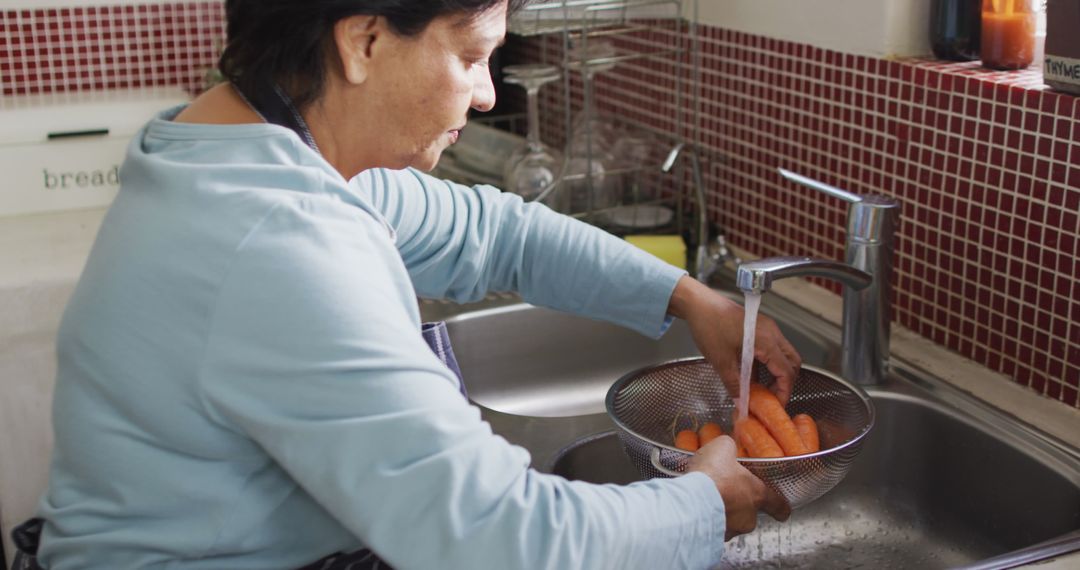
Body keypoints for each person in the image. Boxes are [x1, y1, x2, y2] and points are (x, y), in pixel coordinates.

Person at [19, 0, 801, 568]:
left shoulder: (254, 148)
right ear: (362, 41)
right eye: (469, 56)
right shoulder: (274, 243)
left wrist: (688, 298)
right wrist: (701, 506)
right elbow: (499, 539)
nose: (488, 92)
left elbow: (498, 232)